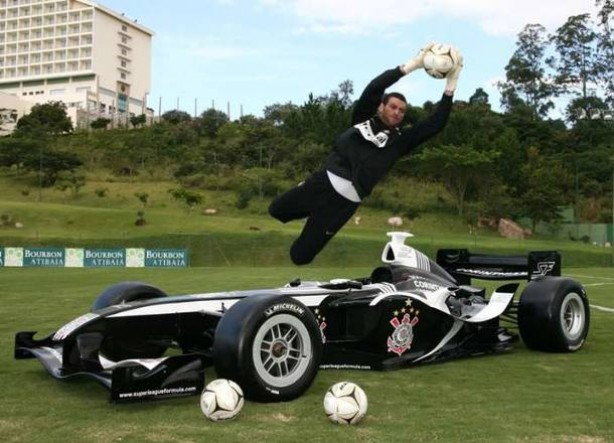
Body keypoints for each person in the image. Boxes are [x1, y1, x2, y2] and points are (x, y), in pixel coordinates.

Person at [269, 44, 463, 265]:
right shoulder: (363, 118)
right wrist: (413, 65)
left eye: (402, 111)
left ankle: (316, 219)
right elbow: (374, 87)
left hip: (344, 203)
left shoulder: (400, 142)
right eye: (393, 107)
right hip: (323, 182)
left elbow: (434, 124)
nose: (397, 112)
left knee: (300, 257)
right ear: (382, 107)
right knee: (276, 210)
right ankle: (307, 211)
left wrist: (451, 85)